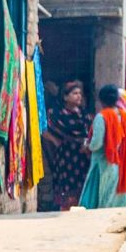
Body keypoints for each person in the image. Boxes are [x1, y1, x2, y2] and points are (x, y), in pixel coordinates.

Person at [79, 83, 126, 210]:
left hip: (104, 164)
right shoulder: (125, 116)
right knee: (118, 203)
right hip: (123, 164)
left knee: (103, 202)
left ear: (100, 100)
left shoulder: (102, 117)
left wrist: (86, 146)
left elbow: (96, 144)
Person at [41, 79, 92, 211]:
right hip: (66, 156)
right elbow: (45, 131)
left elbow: (88, 133)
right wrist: (55, 141)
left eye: (80, 93)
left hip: (82, 156)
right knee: (66, 183)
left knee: (82, 182)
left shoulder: (83, 115)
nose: (79, 96)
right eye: (75, 93)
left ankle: (80, 205)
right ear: (65, 96)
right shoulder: (57, 114)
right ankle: (65, 206)